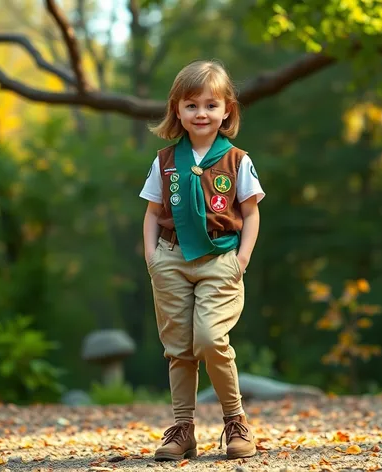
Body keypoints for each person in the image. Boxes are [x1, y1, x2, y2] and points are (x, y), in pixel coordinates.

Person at [139, 59, 265, 461]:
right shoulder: (165, 160)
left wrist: (241, 259)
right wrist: (153, 258)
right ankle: (182, 429)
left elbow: (251, 212)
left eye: (211, 105)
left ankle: (235, 421)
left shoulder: (236, 160)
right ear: (177, 109)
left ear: (227, 109)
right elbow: (151, 212)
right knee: (178, 347)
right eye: (191, 105)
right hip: (172, 259)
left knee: (211, 338)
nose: (201, 113)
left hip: (219, 258)